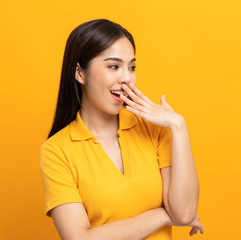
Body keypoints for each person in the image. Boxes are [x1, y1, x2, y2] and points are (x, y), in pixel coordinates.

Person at [39, 19, 204, 240]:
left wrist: (178, 125)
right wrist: (163, 215)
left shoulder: (155, 130)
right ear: (80, 73)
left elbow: (184, 213)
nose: (127, 78)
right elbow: (79, 238)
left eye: (132, 67)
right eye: (113, 66)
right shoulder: (56, 151)